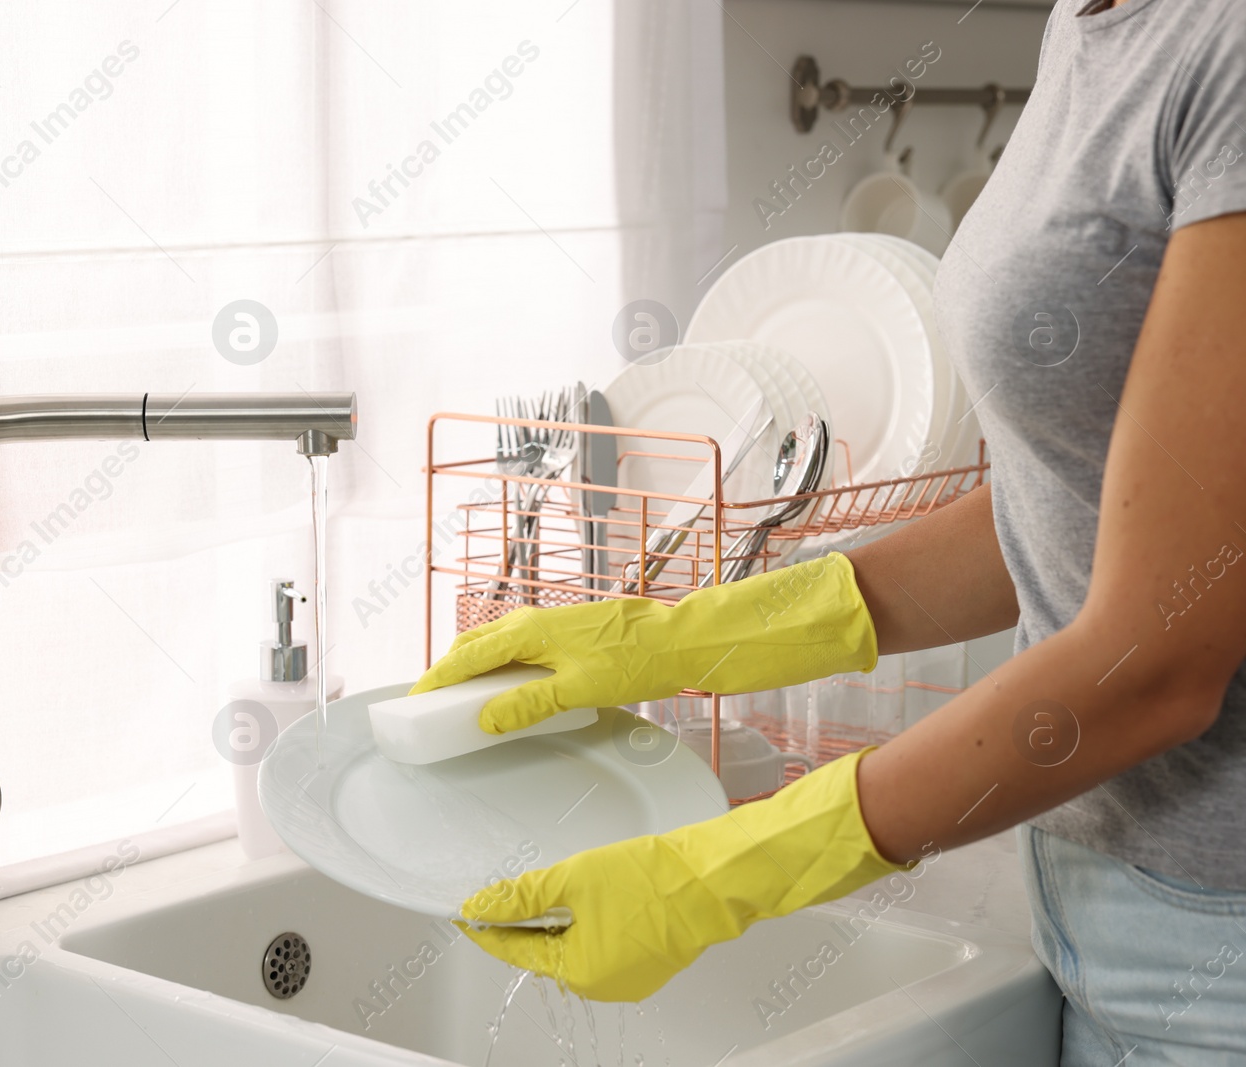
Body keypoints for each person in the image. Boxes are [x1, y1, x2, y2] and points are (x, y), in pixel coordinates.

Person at [410, 0, 1246, 1060]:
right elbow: (1079, 505)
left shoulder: (1225, 48)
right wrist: (680, 636)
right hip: (1086, 901)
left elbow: (1157, 656)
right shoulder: (1092, 26)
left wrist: (724, 872)